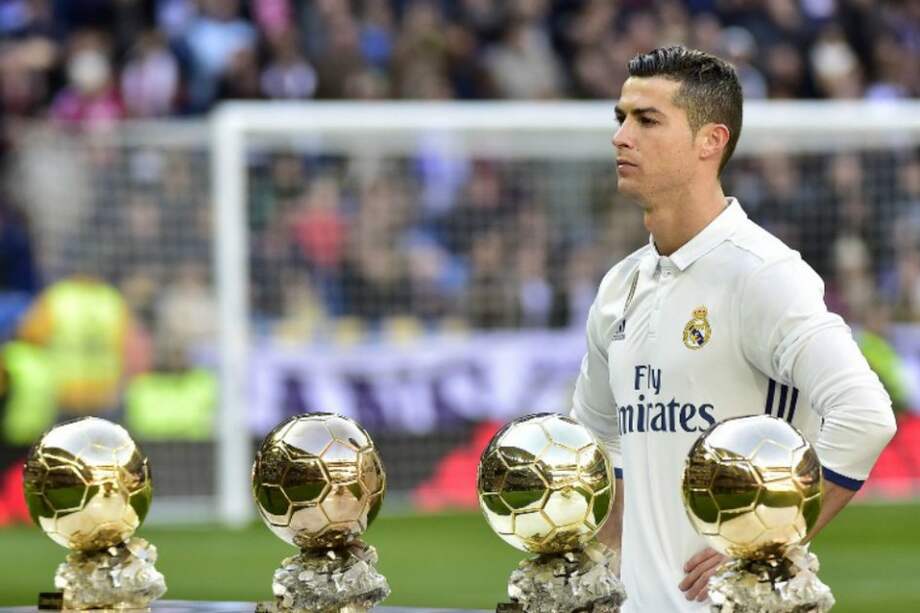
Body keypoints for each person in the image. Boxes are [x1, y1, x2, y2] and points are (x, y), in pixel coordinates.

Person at [570, 46, 896, 612]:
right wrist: (608, 551)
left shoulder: (762, 273)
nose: (622, 136)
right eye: (620, 118)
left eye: (647, 120)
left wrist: (770, 540)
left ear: (710, 141)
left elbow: (864, 415)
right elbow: (597, 438)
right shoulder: (618, 286)